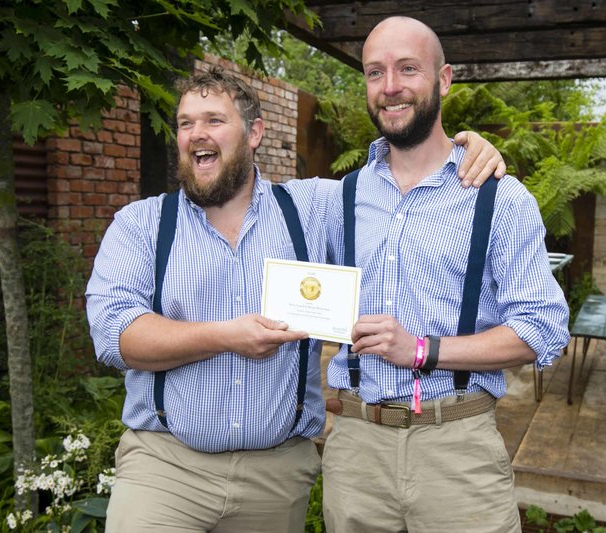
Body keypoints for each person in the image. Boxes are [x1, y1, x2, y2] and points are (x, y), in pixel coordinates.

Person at [85, 66, 505, 532]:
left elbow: (404, 185)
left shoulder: (317, 207)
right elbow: (114, 336)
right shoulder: (140, 224)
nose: (196, 134)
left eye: (213, 120)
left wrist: (466, 148)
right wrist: (227, 337)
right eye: (186, 123)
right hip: (165, 468)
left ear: (255, 133)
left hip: (278, 475)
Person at [321, 17, 571, 533]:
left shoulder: (499, 199)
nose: (390, 86)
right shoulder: (334, 199)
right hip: (355, 451)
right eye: (374, 72)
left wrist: (422, 350)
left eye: (407, 68)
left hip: (457, 450)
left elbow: (542, 329)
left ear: (444, 78)